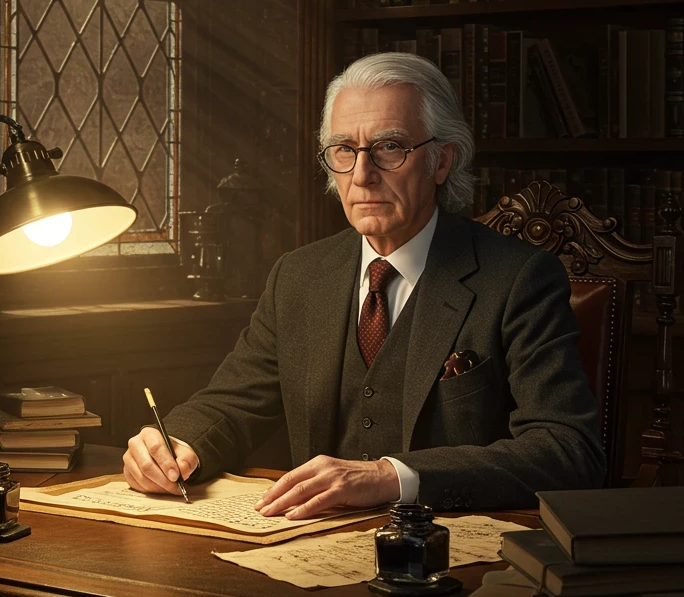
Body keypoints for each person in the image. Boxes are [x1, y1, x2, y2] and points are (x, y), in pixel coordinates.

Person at [123, 53, 606, 516]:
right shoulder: (298, 276)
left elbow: (567, 449)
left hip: (448, 558)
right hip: (308, 550)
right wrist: (176, 443)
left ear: (441, 162)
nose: (362, 175)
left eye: (389, 147)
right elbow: (231, 404)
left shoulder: (520, 277)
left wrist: (390, 477)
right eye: (343, 151)